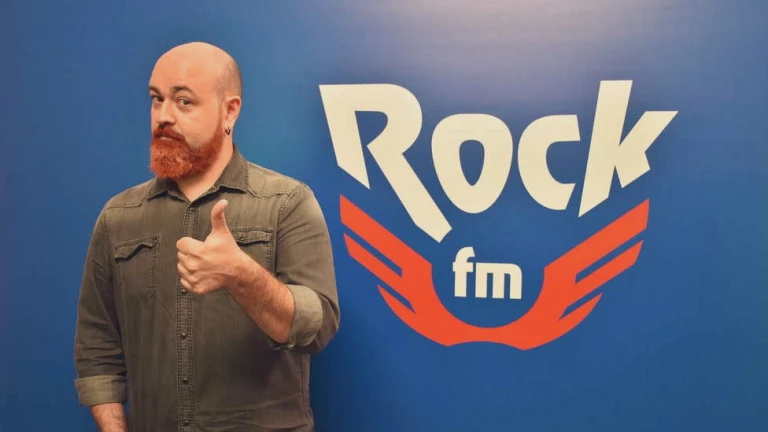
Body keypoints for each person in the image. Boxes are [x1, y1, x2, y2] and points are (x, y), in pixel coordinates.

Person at [73, 41, 340, 432]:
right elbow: (97, 348)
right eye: (156, 99)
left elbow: (316, 328)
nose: (163, 116)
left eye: (184, 102)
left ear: (229, 110)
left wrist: (241, 276)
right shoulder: (119, 217)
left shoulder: (287, 203)